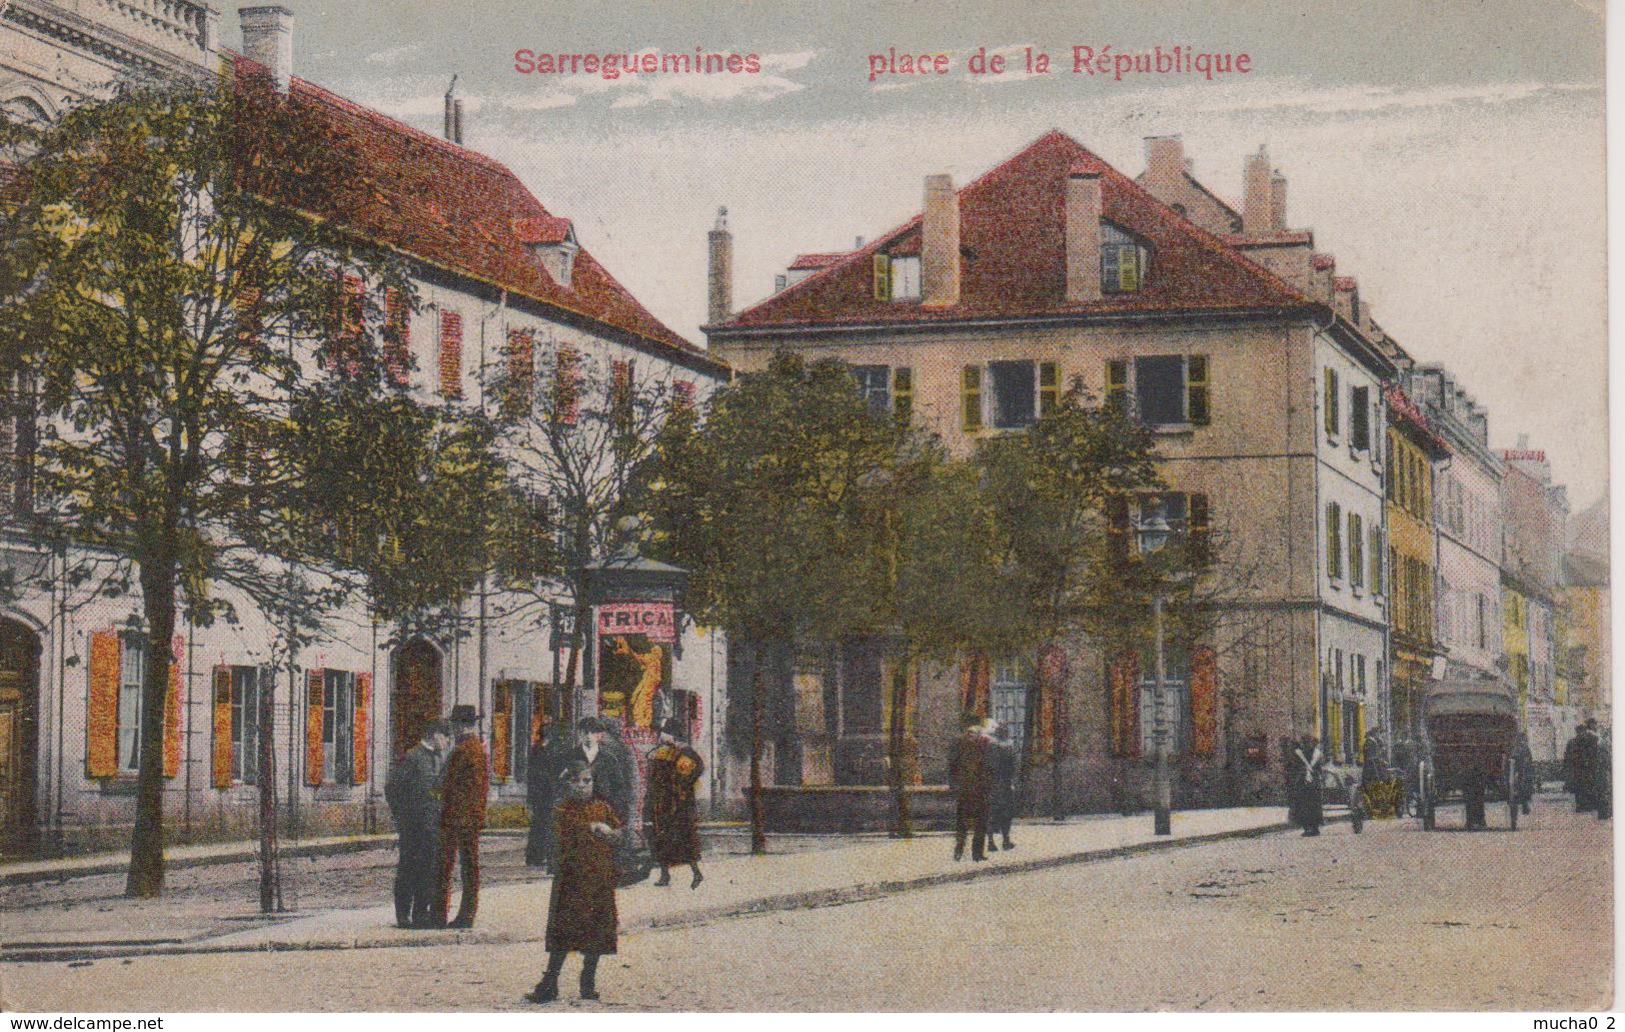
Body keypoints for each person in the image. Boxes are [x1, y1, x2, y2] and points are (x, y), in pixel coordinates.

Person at [526, 761, 624, 1004]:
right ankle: (550, 982)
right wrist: (588, 827)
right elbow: (558, 836)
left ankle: (588, 980)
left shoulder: (603, 807)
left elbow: (620, 832)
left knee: (596, 932)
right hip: (571, 880)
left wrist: (611, 833)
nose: (582, 786)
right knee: (563, 932)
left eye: (587, 781)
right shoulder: (562, 809)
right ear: (568, 783)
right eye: (577, 781)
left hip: (599, 879)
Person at [384, 720, 449, 928]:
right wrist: (401, 816)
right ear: (434, 735)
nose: (447, 742)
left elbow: (437, 790)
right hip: (412, 826)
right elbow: (392, 787)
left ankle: (421, 914)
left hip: (432, 825)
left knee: (428, 870)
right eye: (445, 736)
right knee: (408, 869)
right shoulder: (412, 757)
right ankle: (403, 915)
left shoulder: (439, 759)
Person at [435, 705, 489, 929]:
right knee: (470, 866)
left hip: (455, 816)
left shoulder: (461, 750)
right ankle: (467, 912)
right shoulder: (478, 748)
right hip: (472, 816)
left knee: (444, 866)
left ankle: (439, 914)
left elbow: (445, 784)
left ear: (458, 726)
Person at [645, 717, 705, 888]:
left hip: (680, 804)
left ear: (671, 734)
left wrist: (680, 786)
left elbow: (693, 771)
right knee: (660, 837)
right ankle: (665, 875)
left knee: (684, 838)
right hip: (661, 802)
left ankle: (696, 872)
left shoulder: (686, 752)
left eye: (663, 732)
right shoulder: (660, 751)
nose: (660, 735)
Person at [566, 717, 632, 826]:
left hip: (602, 811)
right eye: (585, 732)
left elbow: (618, 788)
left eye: (593, 732)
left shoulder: (609, 759)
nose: (589, 736)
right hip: (576, 811)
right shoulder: (570, 756)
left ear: (600, 735)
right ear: (579, 734)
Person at [949, 712, 991, 861]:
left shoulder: (957, 741)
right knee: (981, 821)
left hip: (964, 788)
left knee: (962, 820)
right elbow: (988, 766)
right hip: (980, 788)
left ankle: (959, 850)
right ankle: (977, 853)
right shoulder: (983, 742)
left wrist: (953, 785)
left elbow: (952, 765)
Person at [525, 720, 562, 869]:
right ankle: (535, 856)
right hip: (539, 792)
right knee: (539, 825)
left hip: (549, 792)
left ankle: (541, 856)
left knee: (545, 825)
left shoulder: (552, 749)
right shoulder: (537, 749)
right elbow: (532, 773)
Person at [983, 720, 1018, 853]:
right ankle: (1001, 841)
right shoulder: (1006, 746)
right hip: (1002, 784)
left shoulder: (991, 745)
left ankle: (997, 841)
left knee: (996, 813)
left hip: (997, 783)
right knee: (1002, 813)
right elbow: (1012, 766)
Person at [1288, 735, 1325, 836]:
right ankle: (1309, 827)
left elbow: (1319, 768)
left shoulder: (1314, 754)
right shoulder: (1302, 754)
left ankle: (1312, 827)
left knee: (1311, 805)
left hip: (1309, 782)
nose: (1308, 745)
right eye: (1306, 743)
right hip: (1306, 782)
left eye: (1310, 743)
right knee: (1306, 805)